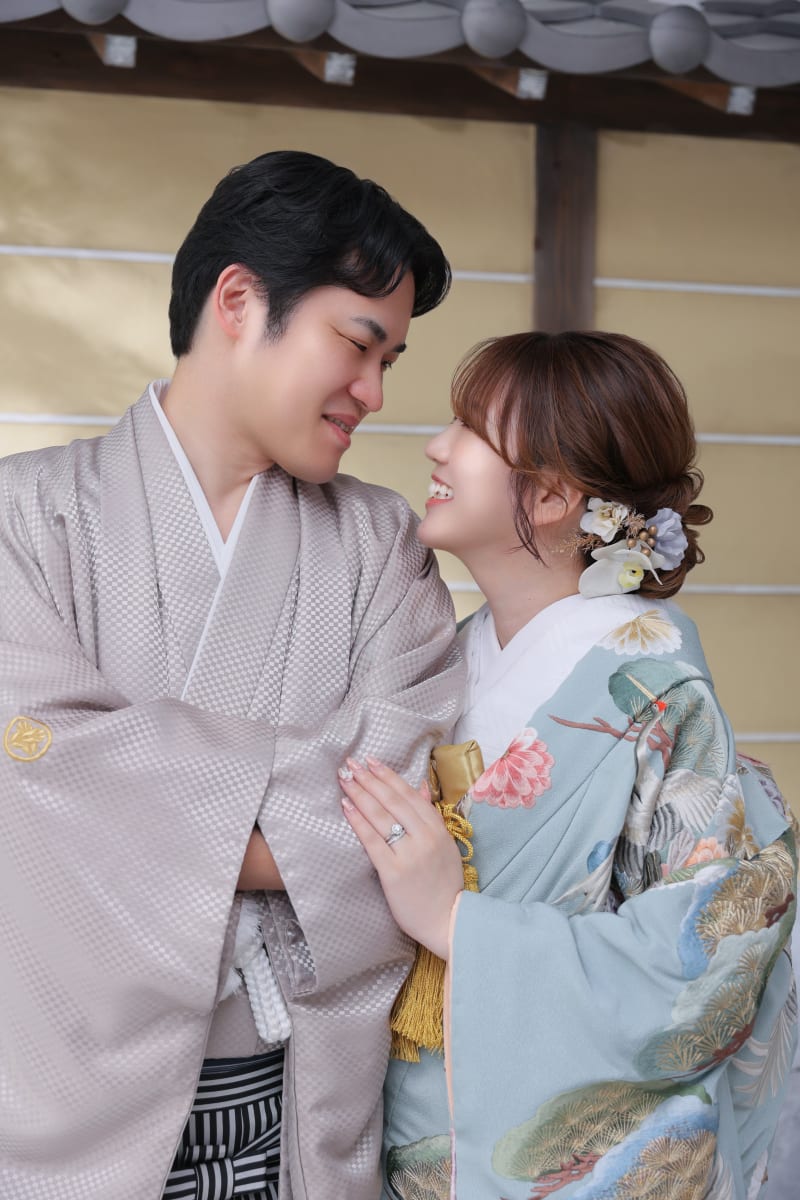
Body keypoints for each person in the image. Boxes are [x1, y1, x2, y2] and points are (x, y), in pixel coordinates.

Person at [0, 150, 467, 1200]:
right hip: (54, 1105)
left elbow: (409, 802)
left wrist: (132, 792)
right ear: (240, 301)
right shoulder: (21, 521)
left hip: (288, 1107)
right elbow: (29, 798)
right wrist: (304, 803)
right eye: (359, 344)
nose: (374, 393)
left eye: (389, 361)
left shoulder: (383, 545)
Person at [340, 331, 798, 1200]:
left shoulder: (656, 689)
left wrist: (457, 923)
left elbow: (706, 969)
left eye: (470, 429)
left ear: (551, 494)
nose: (436, 446)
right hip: (415, 1148)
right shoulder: (436, 659)